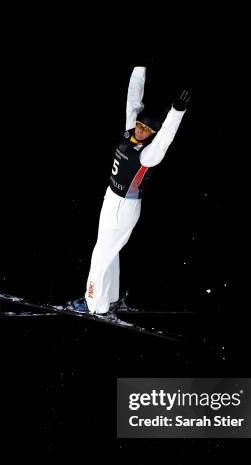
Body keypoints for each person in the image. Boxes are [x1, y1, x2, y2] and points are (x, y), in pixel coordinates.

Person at [70, 64, 191, 317]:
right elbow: (133, 101)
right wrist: (139, 70)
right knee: (108, 249)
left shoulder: (148, 155)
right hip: (112, 200)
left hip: (123, 207)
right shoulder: (129, 133)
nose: (141, 130)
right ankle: (111, 297)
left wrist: (176, 112)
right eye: (140, 125)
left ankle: (95, 305)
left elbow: (166, 137)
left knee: (100, 255)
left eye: (147, 130)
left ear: (152, 134)